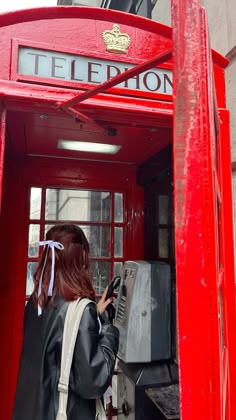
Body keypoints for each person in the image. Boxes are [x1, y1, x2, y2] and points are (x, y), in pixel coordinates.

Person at [13, 224, 119, 420]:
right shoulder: (80, 310)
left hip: (32, 410)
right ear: (80, 259)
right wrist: (110, 331)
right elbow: (93, 381)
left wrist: (95, 313)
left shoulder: (36, 301)